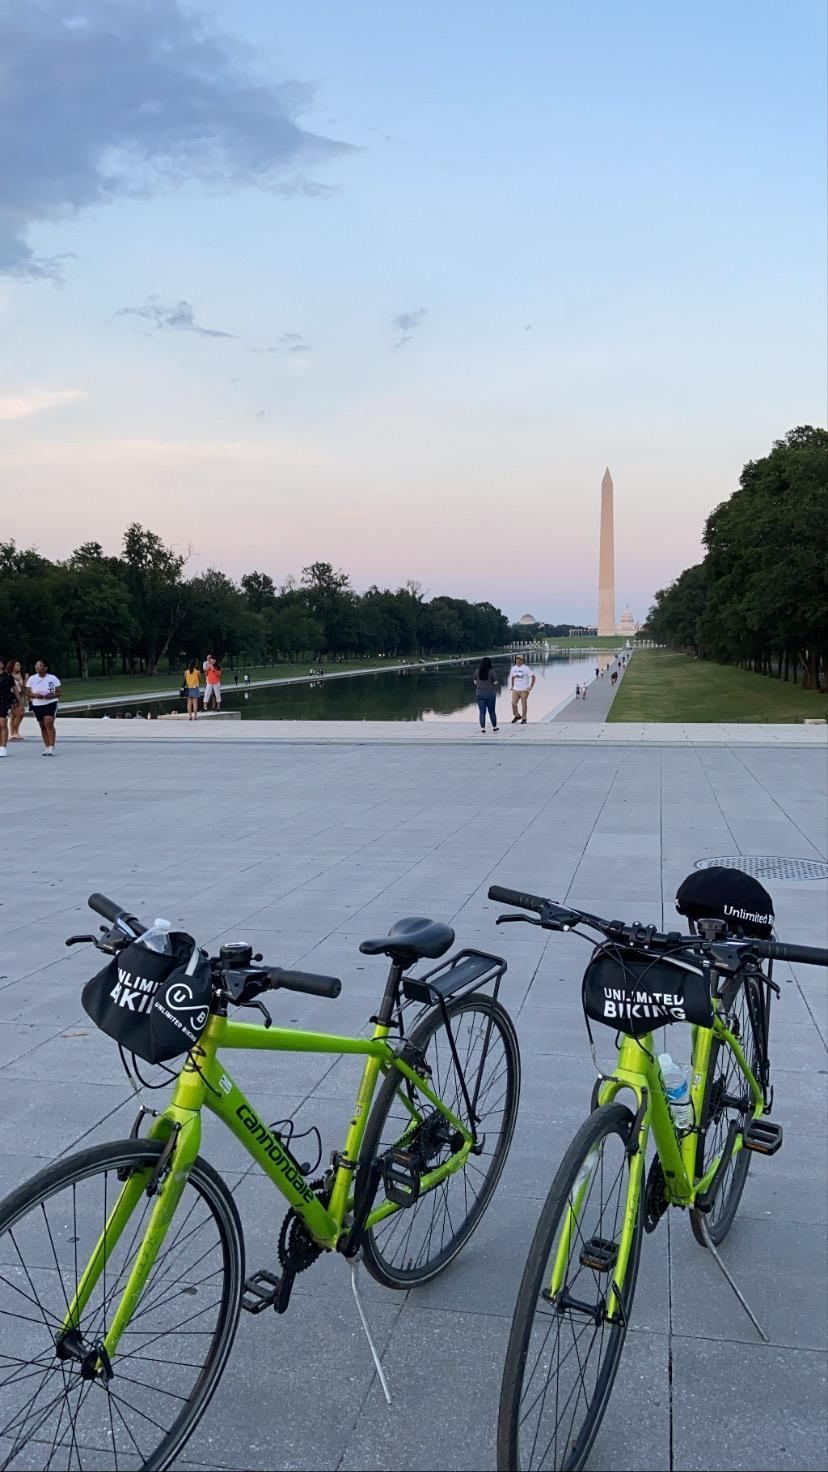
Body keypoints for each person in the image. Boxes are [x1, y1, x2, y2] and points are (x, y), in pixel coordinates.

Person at [25, 660, 61, 755]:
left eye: (40, 665)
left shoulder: (53, 678)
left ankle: (52, 747)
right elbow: (28, 692)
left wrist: (51, 696)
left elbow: (59, 692)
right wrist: (35, 695)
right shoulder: (32, 679)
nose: (37, 667)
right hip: (37, 704)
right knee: (42, 725)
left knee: (48, 722)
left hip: (50, 703)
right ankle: (47, 746)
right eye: (36, 665)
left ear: (45, 668)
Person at [473, 657, 499, 732]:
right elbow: (495, 682)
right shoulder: (492, 671)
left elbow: (475, 682)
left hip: (479, 694)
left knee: (482, 712)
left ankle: (483, 728)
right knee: (492, 711)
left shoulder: (477, 671)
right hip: (490, 694)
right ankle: (494, 727)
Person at [509, 655, 535, 724]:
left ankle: (524, 718)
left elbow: (533, 677)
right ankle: (517, 716)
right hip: (515, 689)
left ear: (522, 661)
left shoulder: (526, 668)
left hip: (524, 690)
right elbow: (512, 677)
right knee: (513, 703)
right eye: (517, 659)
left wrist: (530, 687)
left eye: (520, 660)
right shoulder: (513, 668)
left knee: (524, 704)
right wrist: (512, 686)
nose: (518, 661)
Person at [0, 659, 19, 757]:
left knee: (2, 723)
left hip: (4, 702)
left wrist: (19, 702)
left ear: (2, 665)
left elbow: (15, 689)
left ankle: (3, 747)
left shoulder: (7, 676)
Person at [8, 661, 26, 740]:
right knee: (19, 714)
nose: (19, 666)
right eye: (17, 665)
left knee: (15, 715)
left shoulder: (21, 674)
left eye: (19, 665)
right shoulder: (8, 675)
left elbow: (23, 687)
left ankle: (14, 732)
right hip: (12, 695)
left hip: (19, 694)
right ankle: (14, 732)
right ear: (12, 666)